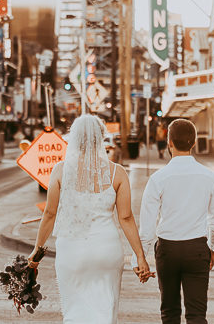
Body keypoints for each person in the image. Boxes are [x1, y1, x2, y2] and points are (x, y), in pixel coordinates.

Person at [28, 114, 153, 323]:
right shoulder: (117, 173)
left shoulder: (60, 171)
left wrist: (37, 250)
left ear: (74, 139)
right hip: (107, 250)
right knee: (106, 310)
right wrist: (140, 255)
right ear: (101, 138)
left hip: (71, 251)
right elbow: (126, 217)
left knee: (75, 311)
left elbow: (50, 214)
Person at [132, 119, 214, 324]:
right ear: (194, 143)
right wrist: (213, 249)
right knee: (197, 315)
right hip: (197, 249)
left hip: (167, 250)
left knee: (170, 313)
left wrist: (139, 259)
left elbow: (147, 225)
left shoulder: (158, 178)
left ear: (169, 142)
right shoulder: (209, 176)